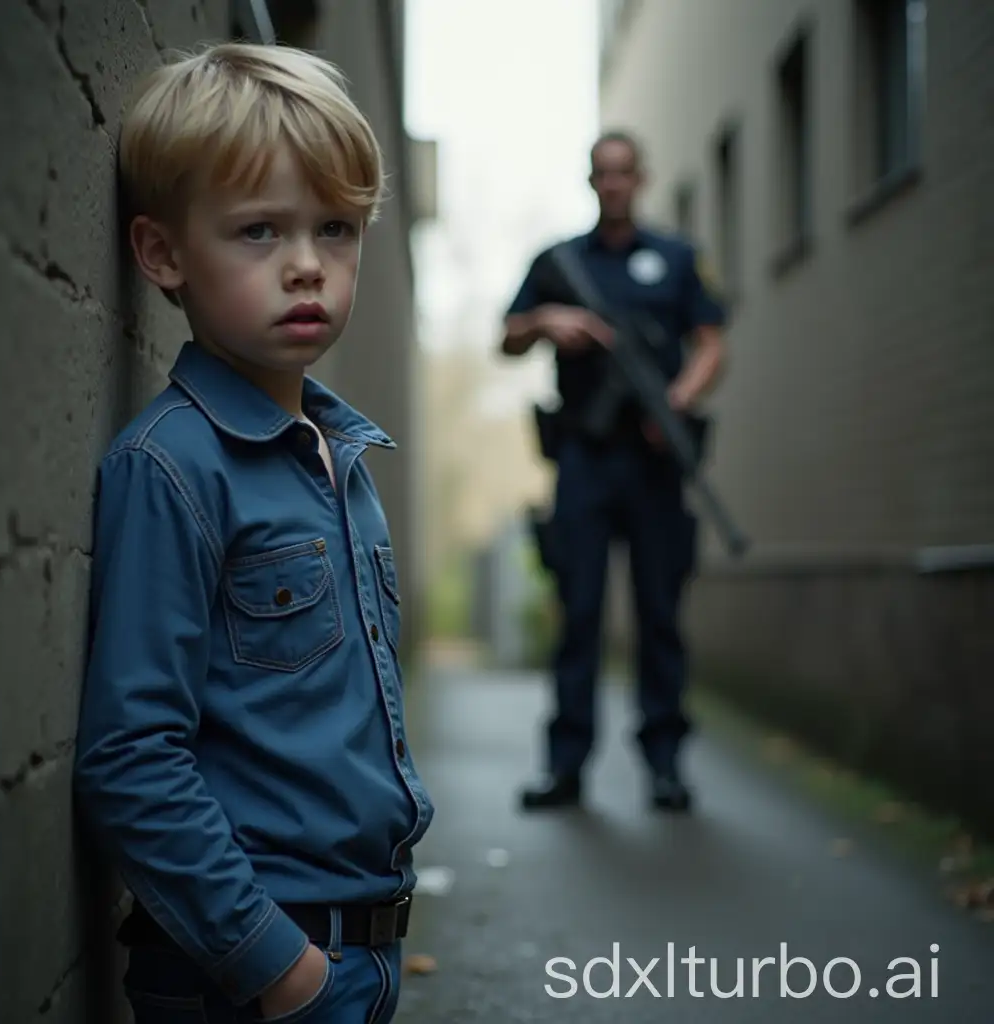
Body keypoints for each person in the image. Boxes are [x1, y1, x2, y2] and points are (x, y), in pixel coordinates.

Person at [73, 43, 433, 1023]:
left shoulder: (341, 457)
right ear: (162, 254)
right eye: (260, 231)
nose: (307, 264)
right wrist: (276, 967)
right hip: (252, 971)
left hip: (360, 951)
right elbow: (131, 754)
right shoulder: (173, 468)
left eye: (335, 228)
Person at [500, 130, 728, 814]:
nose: (615, 184)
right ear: (592, 182)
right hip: (584, 459)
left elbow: (713, 345)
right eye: (604, 174)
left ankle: (664, 765)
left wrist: (676, 400)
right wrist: (546, 321)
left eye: (626, 172)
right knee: (581, 613)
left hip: (655, 461)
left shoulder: (679, 259)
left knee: (660, 614)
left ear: (643, 178)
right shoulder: (560, 261)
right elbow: (506, 337)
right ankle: (566, 767)